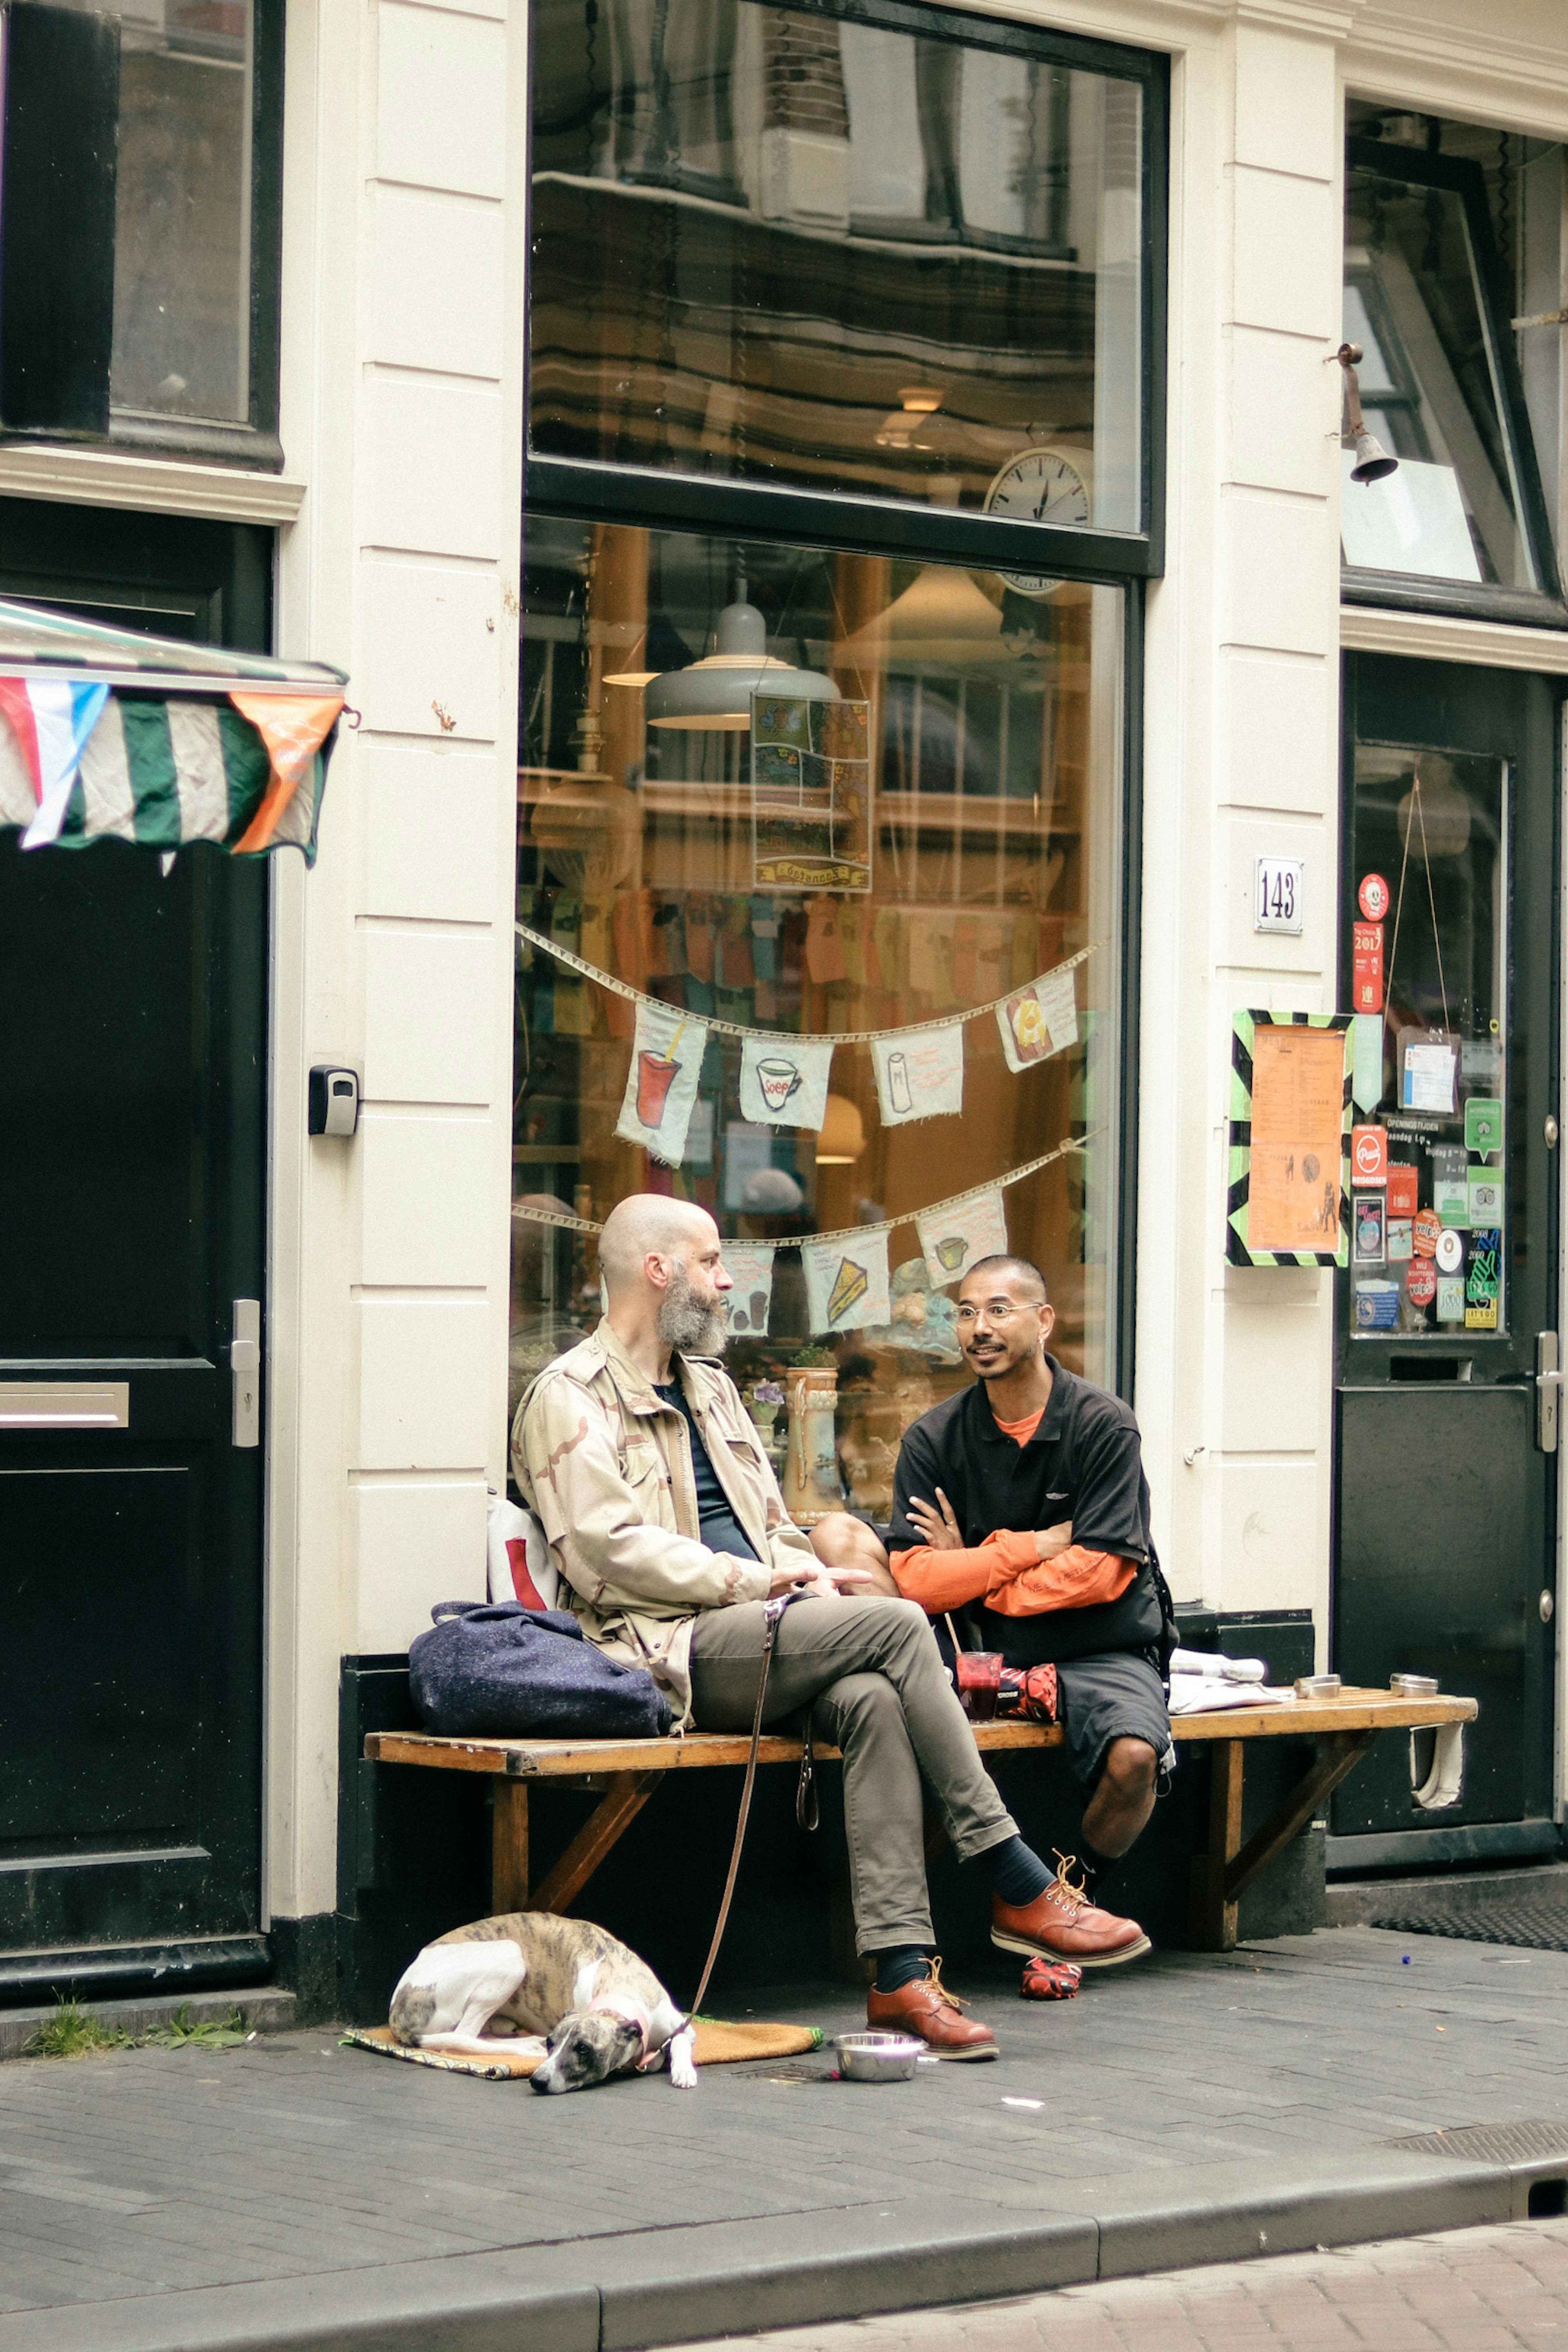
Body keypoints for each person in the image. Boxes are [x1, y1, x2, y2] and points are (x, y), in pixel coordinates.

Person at [513, 1194, 1083, 2058]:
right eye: (710, 1262)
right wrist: (762, 1577)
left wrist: (808, 1570)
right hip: (665, 1650)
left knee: (871, 1700)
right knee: (893, 1627)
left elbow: (772, 1521)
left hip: (764, 1625)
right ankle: (1013, 1872)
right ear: (656, 1270)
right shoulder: (569, 1397)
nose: (727, 1279)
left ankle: (897, 1978)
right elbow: (606, 1555)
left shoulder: (709, 1387)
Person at [885, 1254, 1176, 1969]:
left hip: (1102, 1645)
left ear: (1044, 1321)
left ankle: (1064, 1902)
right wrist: (1029, 1549)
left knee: (1136, 1759)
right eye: (965, 1312)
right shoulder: (933, 1438)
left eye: (999, 1309)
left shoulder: (1104, 1426)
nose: (979, 1328)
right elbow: (918, 1579)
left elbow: (1104, 1571)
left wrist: (977, 1569)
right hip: (988, 1651)